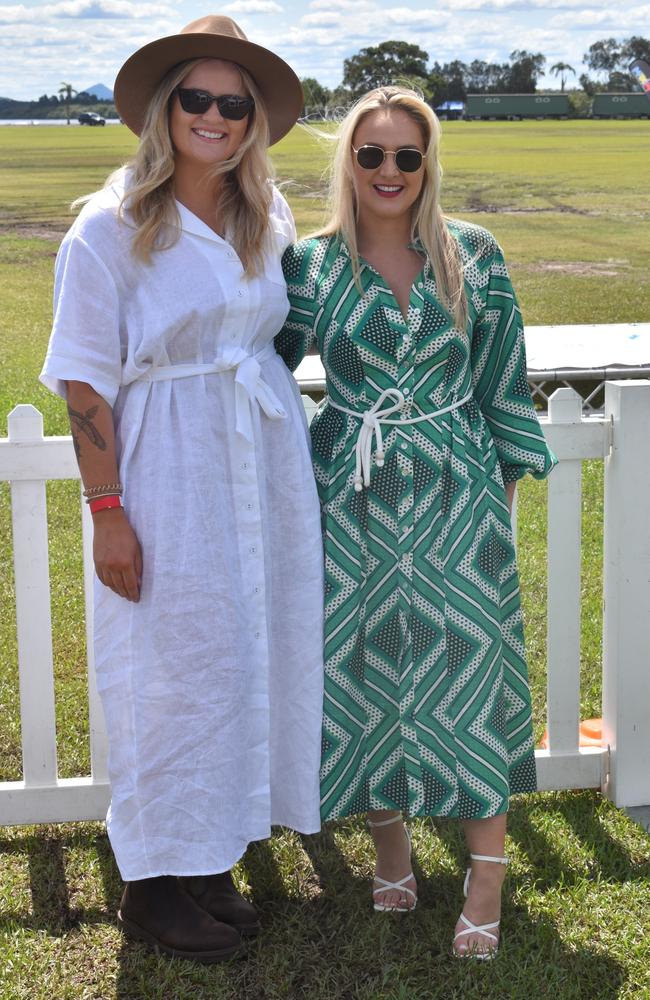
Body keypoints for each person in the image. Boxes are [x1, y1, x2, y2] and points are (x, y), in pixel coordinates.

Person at [40, 15, 324, 964]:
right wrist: (109, 513)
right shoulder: (109, 226)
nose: (214, 115)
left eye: (232, 103)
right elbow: (84, 382)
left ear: (252, 122)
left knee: (239, 657)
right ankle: (152, 887)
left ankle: (206, 862)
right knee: (166, 672)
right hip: (166, 467)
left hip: (256, 460)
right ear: (167, 110)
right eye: (196, 98)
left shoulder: (263, 216)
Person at [276, 86, 556, 959]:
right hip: (349, 495)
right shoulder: (312, 268)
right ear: (347, 166)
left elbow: (505, 382)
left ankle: (487, 872)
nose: (390, 170)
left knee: (472, 671)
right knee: (362, 670)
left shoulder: (472, 254)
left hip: (455, 491)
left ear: (429, 161)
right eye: (371, 156)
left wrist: (501, 499)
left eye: (407, 155)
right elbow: (258, 373)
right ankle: (389, 846)